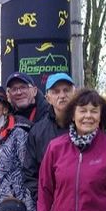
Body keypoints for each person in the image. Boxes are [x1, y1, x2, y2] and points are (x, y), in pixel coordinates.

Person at [24, 72, 77, 200]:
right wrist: (45, 201)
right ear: (48, 97)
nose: (62, 95)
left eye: (66, 90)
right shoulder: (37, 132)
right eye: (56, 91)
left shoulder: (87, 126)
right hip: (53, 208)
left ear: (74, 93)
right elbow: (30, 174)